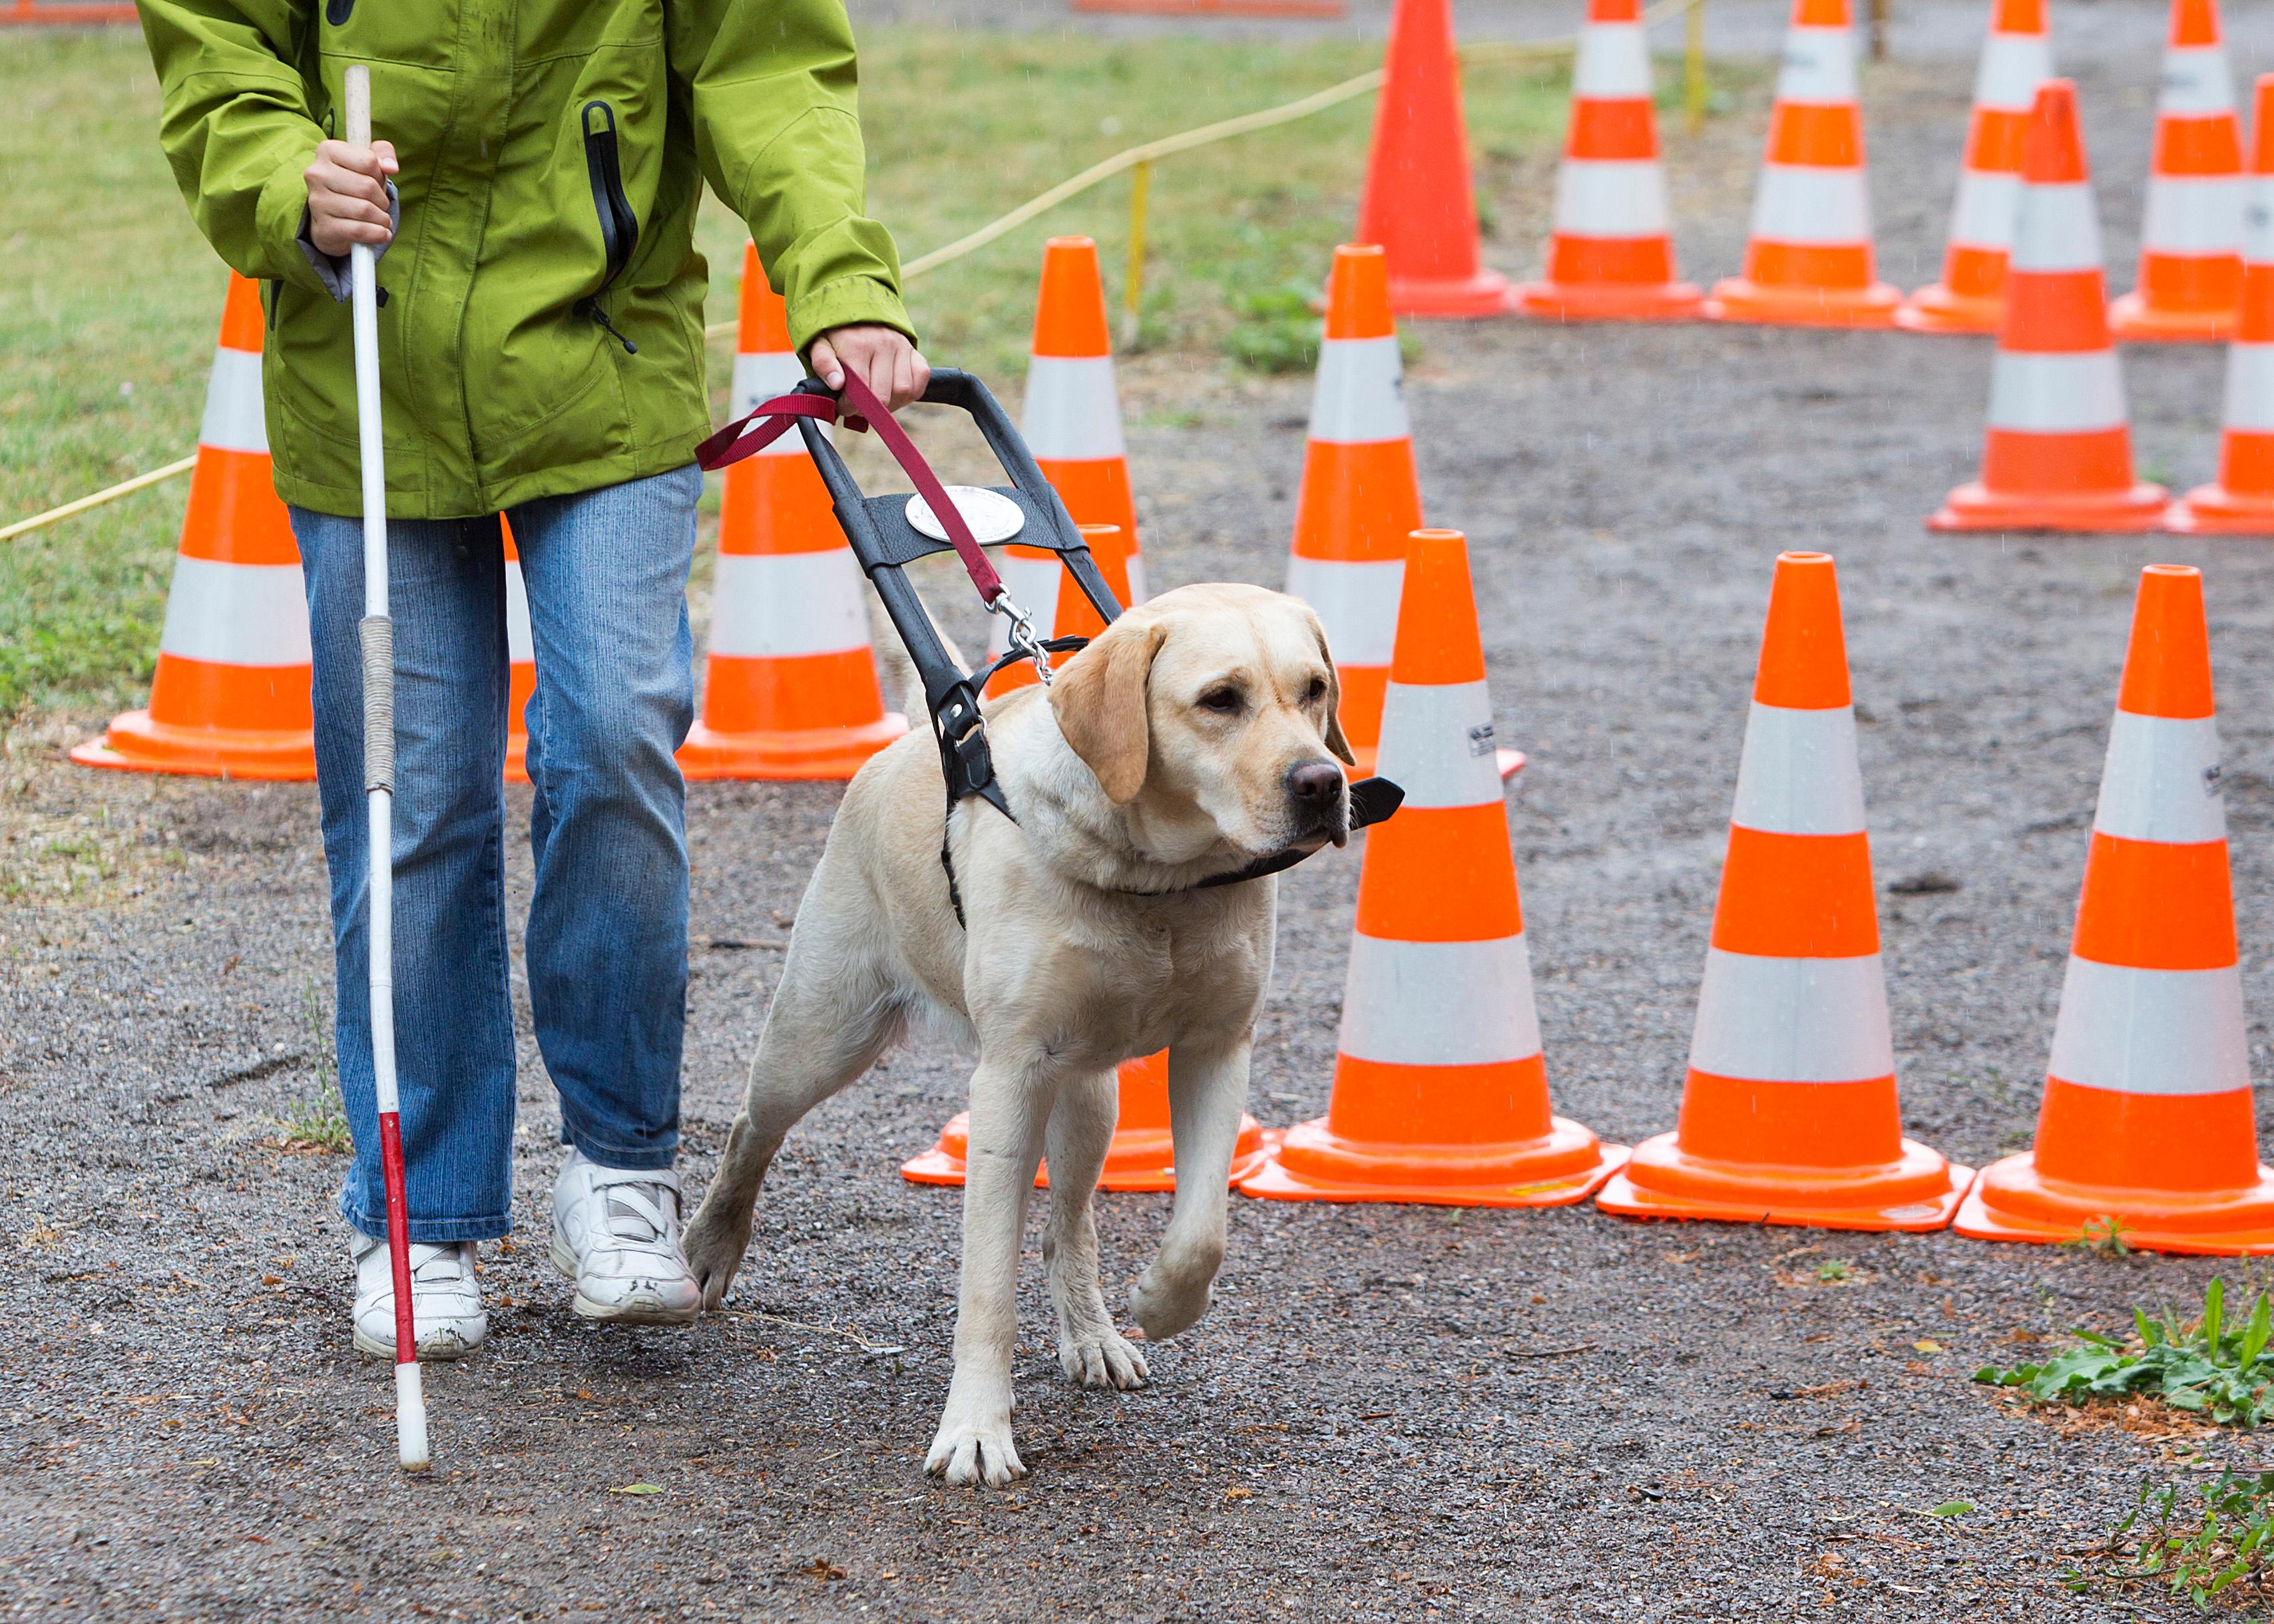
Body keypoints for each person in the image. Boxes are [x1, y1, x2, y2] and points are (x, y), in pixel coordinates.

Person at [137, 0, 926, 1358]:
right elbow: (219, 53)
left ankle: (619, 1169)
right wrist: (286, 181)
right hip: (365, 377)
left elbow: (768, 61)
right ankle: (418, 1211)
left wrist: (839, 283)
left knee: (616, 732)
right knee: (416, 792)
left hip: (604, 370)